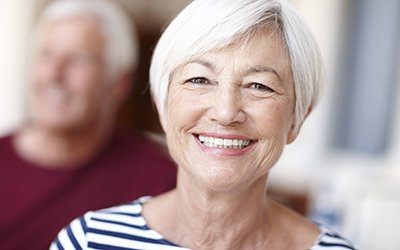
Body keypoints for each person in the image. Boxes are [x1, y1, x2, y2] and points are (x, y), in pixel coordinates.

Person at [52, 0, 357, 249]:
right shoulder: (89, 240)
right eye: (199, 80)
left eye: (259, 86)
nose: (225, 112)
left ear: (298, 117)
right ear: (164, 106)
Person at [0, 0, 176, 249]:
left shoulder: (161, 180)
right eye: (46, 55)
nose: (54, 74)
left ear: (119, 83)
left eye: (77, 59)